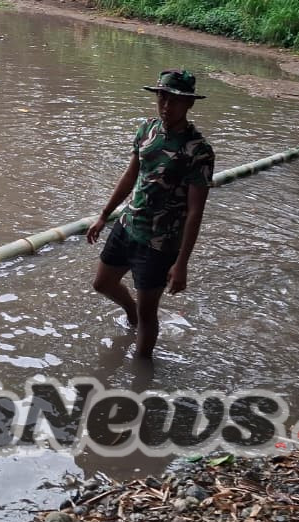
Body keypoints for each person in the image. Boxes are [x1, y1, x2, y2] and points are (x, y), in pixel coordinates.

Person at [86, 70, 215, 358]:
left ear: (189, 104)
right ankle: (129, 310)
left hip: (159, 243)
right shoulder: (147, 129)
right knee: (102, 283)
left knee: (148, 316)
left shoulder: (198, 150)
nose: (167, 106)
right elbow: (131, 175)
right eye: (162, 97)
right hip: (128, 224)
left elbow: (195, 212)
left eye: (175, 100)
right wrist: (104, 215)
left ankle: (140, 377)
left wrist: (182, 263)